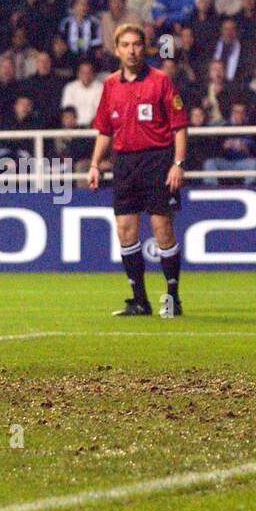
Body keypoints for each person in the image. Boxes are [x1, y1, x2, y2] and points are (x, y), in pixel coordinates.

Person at [88, 22, 188, 317]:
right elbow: (104, 130)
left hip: (158, 161)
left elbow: (180, 127)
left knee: (162, 230)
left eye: (136, 44)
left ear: (144, 48)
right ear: (117, 50)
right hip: (125, 164)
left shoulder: (161, 81)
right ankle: (140, 300)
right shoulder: (109, 85)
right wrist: (95, 164)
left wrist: (177, 164)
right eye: (126, 45)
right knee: (125, 230)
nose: (131, 50)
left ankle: (172, 298)